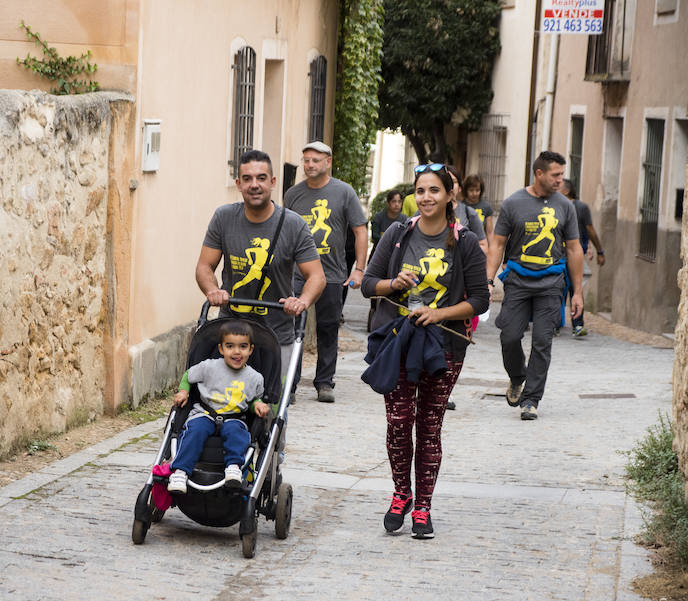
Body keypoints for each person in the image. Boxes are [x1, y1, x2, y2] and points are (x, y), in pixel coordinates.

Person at [361, 162, 489, 539]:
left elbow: (480, 300)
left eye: (434, 190)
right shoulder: (399, 233)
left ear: (450, 195)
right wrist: (393, 283)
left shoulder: (464, 241)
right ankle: (401, 494)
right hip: (399, 341)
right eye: (420, 191)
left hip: (444, 345)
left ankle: (424, 508)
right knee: (399, 423)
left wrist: (439, 313)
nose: (426, 197)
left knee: (429, 426)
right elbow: (368, 283)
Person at [196, 149, 326, 384]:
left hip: (277, 334)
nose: (254, 185)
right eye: (247, 179)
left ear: (272, 182)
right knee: (226, 402)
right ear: (238, 184)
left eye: (261, 178)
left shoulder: (293, 225)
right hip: (232, 332)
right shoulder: (224, 218)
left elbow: (316, 276)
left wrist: (302, 302)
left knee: (272, 406)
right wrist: (212, 290)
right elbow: (205, 266)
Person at [485, 151, 584, 421]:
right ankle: (518, 377)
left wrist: (577, 292)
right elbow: (497, 243)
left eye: (562, 175)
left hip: (551, 284)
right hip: (517, 281)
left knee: (542, 342)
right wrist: (488, 279)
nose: (560, 180)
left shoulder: (565, 206)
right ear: (539, 173)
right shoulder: (513, 203)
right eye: (555, 175)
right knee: (509, 336)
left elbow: (574, 249)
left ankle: (531, 399)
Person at [283, 141, 367, 403]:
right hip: (297, 274)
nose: (309, 165)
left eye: (315, 160)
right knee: (292, 327)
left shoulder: (344, 192)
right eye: (306, 160)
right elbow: (283, 230)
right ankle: (290, 385)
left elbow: (360, 230)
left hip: (332, 274)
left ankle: (324, 382)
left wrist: (359, 270)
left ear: (328, 162)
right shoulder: (293, 194)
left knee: (328, 328)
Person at [167, 321, 271, 494]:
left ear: (250, 350)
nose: (237, 352)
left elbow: (252, 400)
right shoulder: (209, 367)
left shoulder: (255, 378)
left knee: (237, 434)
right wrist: (183, 391)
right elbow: (188, 376)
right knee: (195, 431)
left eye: (243, 347)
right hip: (205, 413)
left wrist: (257, 405)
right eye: (230, 346)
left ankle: (234, 467)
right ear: (221, 349)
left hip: (235, 417)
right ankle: (181, 471)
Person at [561, 178, 605, 337]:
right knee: (556, 290)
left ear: (566, 191)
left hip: (575, 256)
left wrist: (599, 251)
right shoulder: (554, 206)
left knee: (575, 290)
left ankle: (577, 325)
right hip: (556, 255)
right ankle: (553, 324)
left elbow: (590, 230)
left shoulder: (580, 207)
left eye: (558, 185)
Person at [463, 173, 494, 241]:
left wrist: (490, 249)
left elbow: (490, 232)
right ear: (466, 190)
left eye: (477, 190)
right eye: (471, 190)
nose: (474, 193)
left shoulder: (486, 206)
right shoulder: (461, 206)